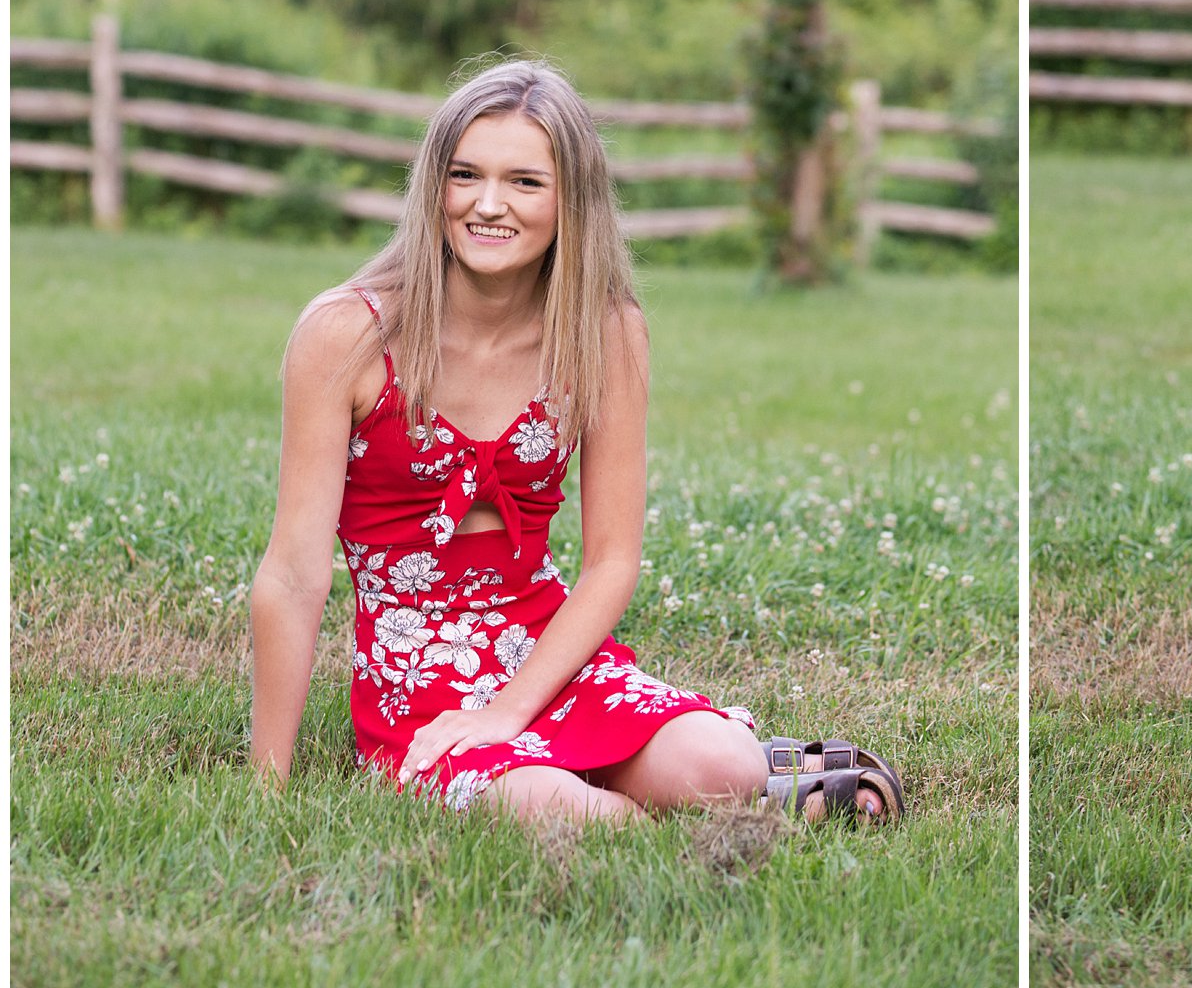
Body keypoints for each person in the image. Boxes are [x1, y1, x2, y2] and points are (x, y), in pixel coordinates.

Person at [250, 59, 904, 827]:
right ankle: (665, 806)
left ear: (572, 200)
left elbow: (611, 562)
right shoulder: (348, 334)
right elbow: (294, 576)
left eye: (525, 182)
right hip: (416, 673)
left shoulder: (605, 332)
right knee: (568, 811)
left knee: (723, 763)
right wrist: (269, 789)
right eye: (465, 175)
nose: (488, 205)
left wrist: (508, 710)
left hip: (547, 646)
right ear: (434, 186)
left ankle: (731, 775)